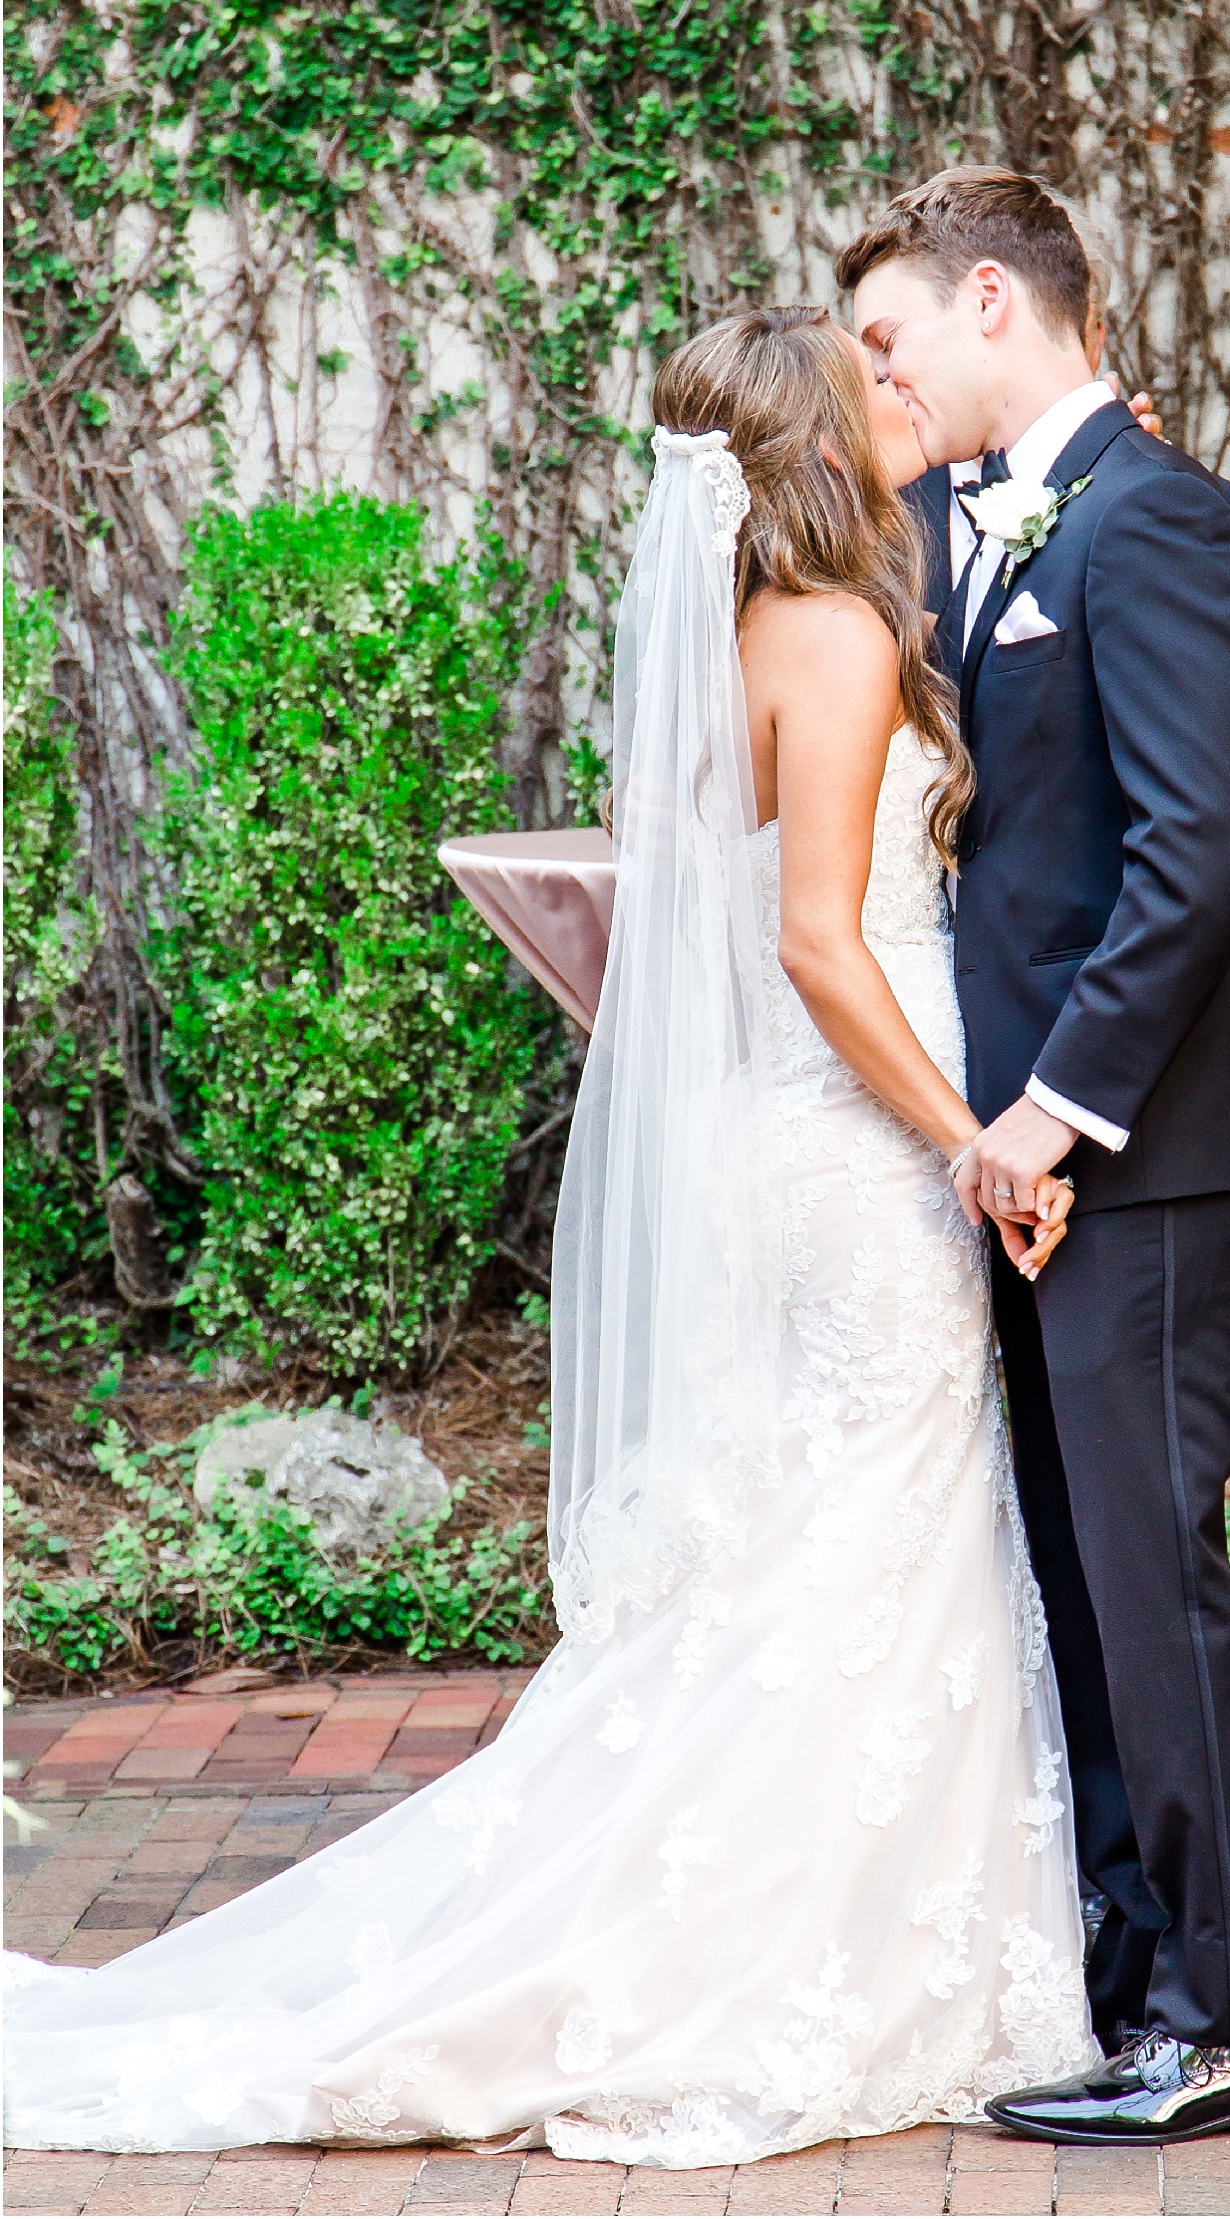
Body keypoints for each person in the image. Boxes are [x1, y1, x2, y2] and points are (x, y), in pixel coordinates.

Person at [3, 311, 1099, 2169]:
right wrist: (975, 1147)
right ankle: (803, 1949)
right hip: (859, 1145)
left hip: (803, 1143)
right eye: (870, 383)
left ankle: (834, 1922)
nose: (897, 395)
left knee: (813, 1545)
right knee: (870, 1533)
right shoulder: (832, 637)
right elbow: (821, 944)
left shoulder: (750, 631)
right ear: (818, 445)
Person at [842, 166, 1230, 2147]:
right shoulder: (959, 526)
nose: (877, 375)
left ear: (989, 297)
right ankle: (1140, 1986)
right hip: (1025, 1152)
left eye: (890, 336)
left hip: (1138, 1144)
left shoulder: (1158, 516)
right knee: (1075, 1569)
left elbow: (1207, 834)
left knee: (1155, 1574)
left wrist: (1060, 1103)